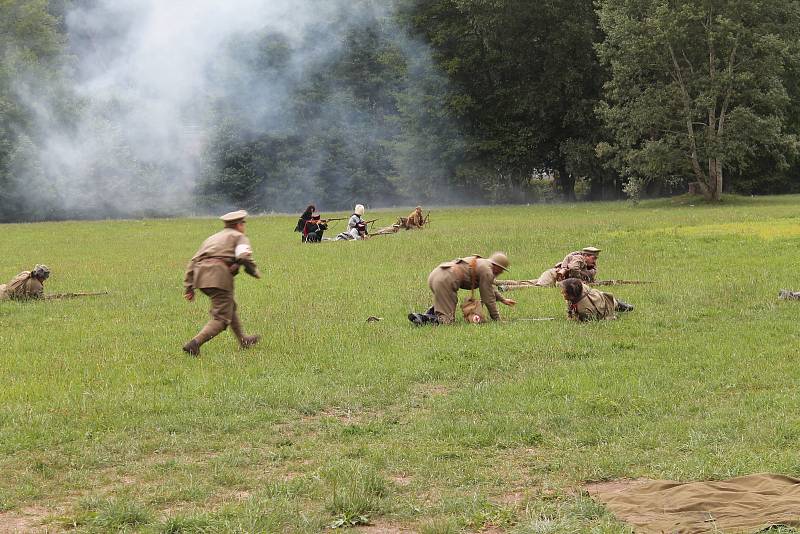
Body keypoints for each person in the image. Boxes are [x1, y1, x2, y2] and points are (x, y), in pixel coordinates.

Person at [182, 210, 261, 357]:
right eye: (243, 223)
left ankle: (243, 340)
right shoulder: (239, 236)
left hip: (200, 276)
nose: (244, 226)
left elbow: (193, 261)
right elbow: (243, 256)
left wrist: (189, 286)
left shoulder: (212, 238)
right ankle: (194, 344)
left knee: (229, 306)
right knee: (222, 318)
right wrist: (253, 271)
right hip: (218, 276)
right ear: (238, 225)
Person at [409, 252, 516, 325]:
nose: (501, 273)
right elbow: (488, 298)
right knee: (447, 322)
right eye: (501, 270)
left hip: (437, 274)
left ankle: (426, 316)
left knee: (445, 302)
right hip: (446, 280)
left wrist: (503, 300)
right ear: (497, 266)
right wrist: (497, 319)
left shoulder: (483, 263)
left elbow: (489, 287)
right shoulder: (487, 271)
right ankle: (424, 319)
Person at [559, 277, 633, 321]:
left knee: (615, 304)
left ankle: (623, 306)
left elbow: (591, 320)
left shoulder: (584, 310)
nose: (561, 293)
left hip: (606, 303)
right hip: (601, 297)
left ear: (572, 295)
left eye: (564, 292)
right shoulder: (579, 288)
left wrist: (573, 319)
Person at [535, 246, 601, 287]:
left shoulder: (587, 264)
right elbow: (573, 268)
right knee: (539, 287)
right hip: (552, 275)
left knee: (534, 282)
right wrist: (579, 279)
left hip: (556, 277)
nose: (595, 261)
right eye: (593, 258)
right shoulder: (580, 258)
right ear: (586, 256)